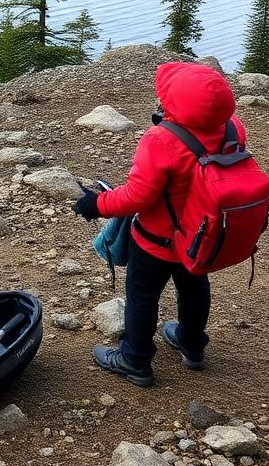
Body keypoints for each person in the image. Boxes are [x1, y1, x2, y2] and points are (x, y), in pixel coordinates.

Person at [73, 61, 245, 387]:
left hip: (157, 240)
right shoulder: (233, 127)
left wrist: (96, 203)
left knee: (142, 296)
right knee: (195, 288)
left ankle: (134, 360)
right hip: (201, 236)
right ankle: (192, 345)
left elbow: (138, 197)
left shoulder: (161, 139)